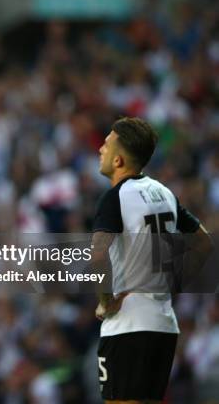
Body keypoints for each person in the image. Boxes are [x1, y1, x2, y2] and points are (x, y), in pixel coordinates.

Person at [91, 117, 213, 404]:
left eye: (106, 145)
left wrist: (106, 301)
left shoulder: (114, 197)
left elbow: (97, 254)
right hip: (163, 322)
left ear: (119, 159)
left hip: (129, 322)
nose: (100, 149)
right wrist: (176, 283)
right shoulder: (165, 193)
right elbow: (205, 243)